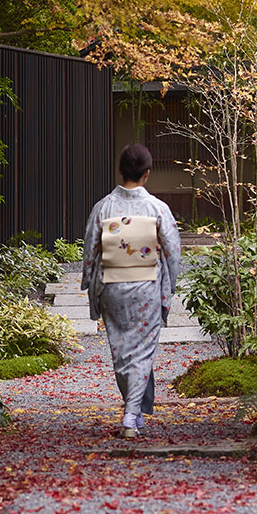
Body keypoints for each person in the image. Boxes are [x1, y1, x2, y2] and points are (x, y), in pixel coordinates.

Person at [81, 143, 181, 438]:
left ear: (120, 170)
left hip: (112, 284)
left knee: (122, 352)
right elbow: (173, 252)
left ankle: (133, 409)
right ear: (147, 174)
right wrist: (170, 284)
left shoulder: (104, 207)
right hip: (146, 285)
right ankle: (131, 415)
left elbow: (90, 248)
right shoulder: (157, 208)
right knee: (142, 352)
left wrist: (89, 281)